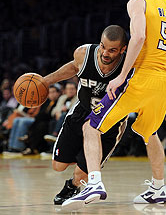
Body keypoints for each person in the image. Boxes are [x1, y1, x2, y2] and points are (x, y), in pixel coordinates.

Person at [62, 0, 166, 210]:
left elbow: (139, 37)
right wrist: (165, 69)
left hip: (141, 79)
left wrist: (122, 76)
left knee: (90, 126)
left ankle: (93, 183)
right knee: (149, 133)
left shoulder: (138, 2)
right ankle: (158, 187)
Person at [44, 25, 128, 205]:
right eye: (103, 46)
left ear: (123, 49)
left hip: (110, 122)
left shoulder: (129, 66)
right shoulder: (84, 53)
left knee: (82, 173)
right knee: (58, 166)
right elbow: (74, 67)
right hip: (81, 111)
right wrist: (46, 81)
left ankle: (74, 184)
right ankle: (83, 157)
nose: (105, 53)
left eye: (112, 50)